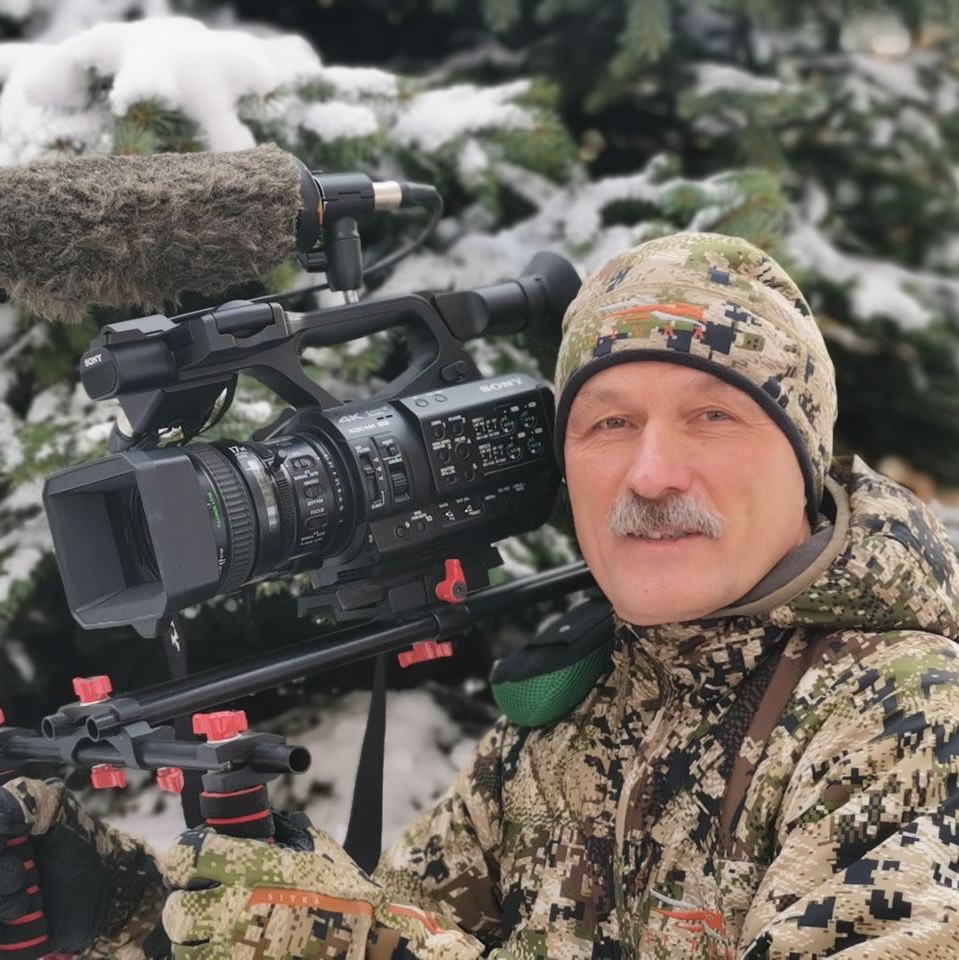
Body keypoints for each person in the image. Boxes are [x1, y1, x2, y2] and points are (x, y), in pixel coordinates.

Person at [2, 232, 959, 959]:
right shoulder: (580, 705)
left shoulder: (911, 719)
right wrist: (127, 908)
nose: (650, 474)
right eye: (608, 423)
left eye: (711, 415)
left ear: (804, 459)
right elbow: (406, 916)